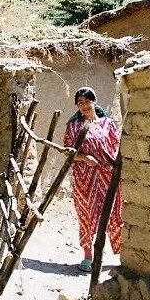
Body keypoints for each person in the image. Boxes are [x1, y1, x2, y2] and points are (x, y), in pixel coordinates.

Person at [63, 87, 123, 272]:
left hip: (107, 176)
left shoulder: (108, 124)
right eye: (80, 103)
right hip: (84, 177)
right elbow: (67, 151)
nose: (84, 106)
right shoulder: (73, 126)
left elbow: (116, 147)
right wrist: (84, 158)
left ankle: (119, 254)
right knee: (86, 214)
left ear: (94, 101)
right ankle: (88, 256)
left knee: (114, 212)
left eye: (87, 101)